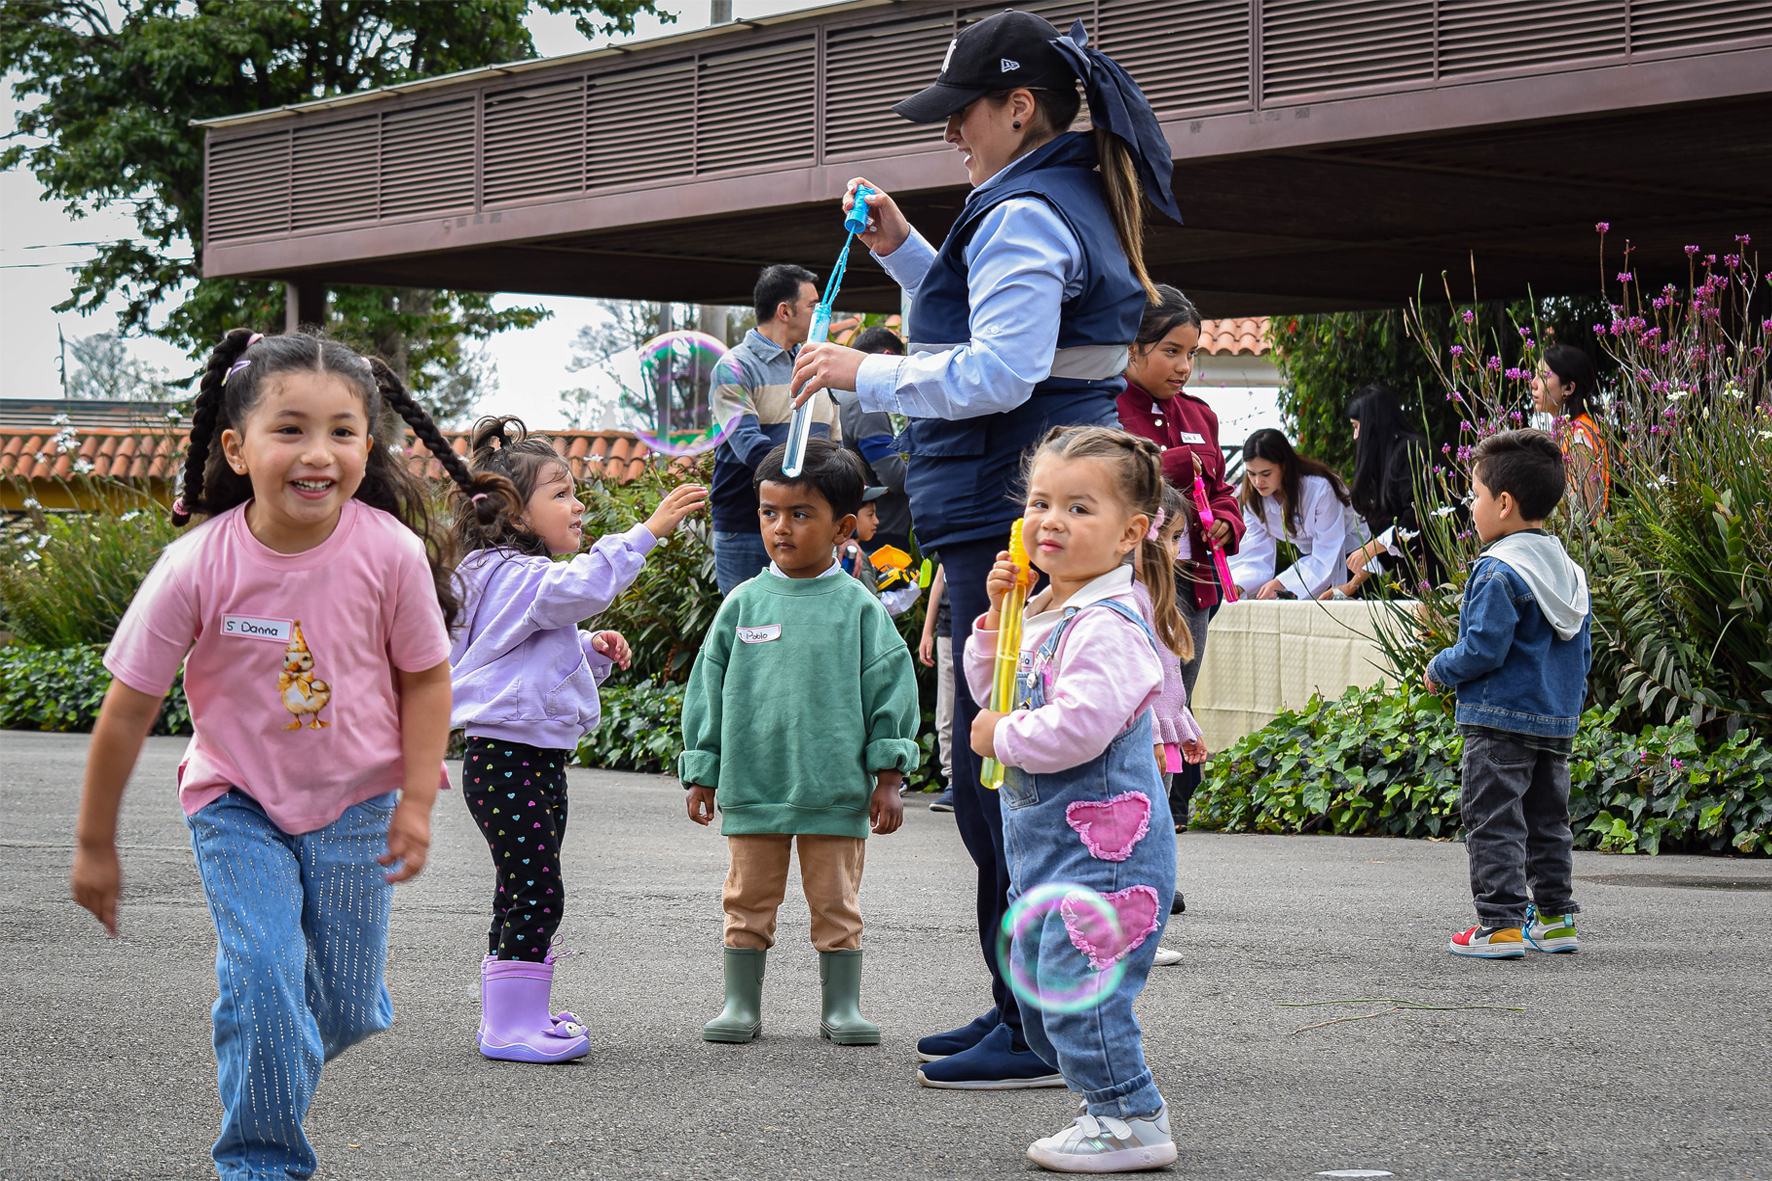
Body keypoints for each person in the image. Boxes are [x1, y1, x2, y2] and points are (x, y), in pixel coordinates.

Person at [788, 8, 1182, 1089]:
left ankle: (1041, 1021)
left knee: (995, 773)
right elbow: (999, 336)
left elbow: (995, 371)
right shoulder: (1064, 196)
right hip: (1011, 505)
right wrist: (905, 252)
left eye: (960, 113)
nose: (950, 134)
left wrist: (857, 373)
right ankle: (1027, 1003)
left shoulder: (1019, 214)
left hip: (1005, 510)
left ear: (1018, 107)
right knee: (994, 770)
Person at [70, 328, 494, 1180]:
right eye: (290, 428)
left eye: (342, 431)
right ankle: (260, 1161)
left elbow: (426, 680)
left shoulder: (391, 553)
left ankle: (276, 1031)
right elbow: (127, 708)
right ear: (237, 446)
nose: (318, 453)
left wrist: (416, 798)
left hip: (360, 801)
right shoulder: (196, 564)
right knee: (264, 980)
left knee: (339, 1006)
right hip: (237, 800)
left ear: (367, 446)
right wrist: (93, 842)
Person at [447, 416, 706, 1063]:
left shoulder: (502, 575)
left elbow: (517, 660)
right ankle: (511, 1023)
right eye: (560, 493)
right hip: (509, 758)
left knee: (522, 884)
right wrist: (648, 531)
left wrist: (588, 650)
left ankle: (515, 1014)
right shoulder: (514, 575)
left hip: (522, 757)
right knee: (537, 885)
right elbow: (581, 585)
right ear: (512, 511)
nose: (578, 505)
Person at [965, 426, 1182, 1172]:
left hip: (1106, 861)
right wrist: (997, 621)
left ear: (1129, 534)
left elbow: (1079, 729)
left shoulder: (1108, 625)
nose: (1050, 520)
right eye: (1040, 502)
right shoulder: (1049, 607)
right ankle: (1106, 1103)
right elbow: (991, 690)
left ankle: (1131, 1116)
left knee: (1081, 992)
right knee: (1041, 989)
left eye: (1078, 507)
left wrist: (1003, 734)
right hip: (1052, 851)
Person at [681, 436, 921, 1046]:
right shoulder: (742, 602)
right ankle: (741, 1004)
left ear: (843, 527)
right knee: (746, 901)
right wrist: (702, 766)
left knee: (837, 907)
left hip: (835, 791)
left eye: (800, 514)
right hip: (753, 784)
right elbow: (707, 688)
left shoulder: (859, 609)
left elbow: (893, 693)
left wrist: (888, 778)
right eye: (769, 513)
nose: (781, 528)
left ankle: (841, 1008)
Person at [1424, 429, 1592, 959]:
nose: (1471, 507)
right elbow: (1582, 656)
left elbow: (1483, 648)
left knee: (1494, 818)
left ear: (1503, 502)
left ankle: (1498, 925)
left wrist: (1440, 668)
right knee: (1548, 821)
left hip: (1499, 722)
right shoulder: (1569, 571)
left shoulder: (1499, 569)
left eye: (1474, 495)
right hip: (1555, 720)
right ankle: (1555, 917)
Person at [1114, 284, 1241, 829]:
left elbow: (1225, 494)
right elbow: (1103, 485)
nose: (1184, 366)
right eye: (1171, 351)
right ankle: (1127, 843)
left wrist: (1229, 524)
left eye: (1192, 353)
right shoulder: (1105, 406)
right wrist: (1166, 466)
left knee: (1170, 711)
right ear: (1133, 347)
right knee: (1128, 714)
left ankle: (1159, 847)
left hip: (1193, 587)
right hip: (1130, 583)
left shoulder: (1201, 415)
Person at [709, 263, 837, 594]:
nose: (822, 314)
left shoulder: (815, 365)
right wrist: (820, 476)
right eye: (813, 305)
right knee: (750, 633)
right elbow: (751, 447)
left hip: (813, 525)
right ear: (784, 311)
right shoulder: (735, 367)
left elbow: (836, 443)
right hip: (747, 528)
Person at [1133, 483, 1208, 955]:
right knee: (1143, 837)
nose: (1178, 548)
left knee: (1153, 834)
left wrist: (1186, 726)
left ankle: (1143, 927)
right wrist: (1158, 736)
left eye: (1181, 538)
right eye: (1172, 536)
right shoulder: (1132, 598)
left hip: (1161, 736)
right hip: (1143, 740)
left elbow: (1170, 678)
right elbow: (1143, 682)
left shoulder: (1155, 594)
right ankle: (1138, 933)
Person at [1228, 429, 1368, 600]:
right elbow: (1255, 552)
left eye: (1266, 474)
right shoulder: (1253, 500)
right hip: (1310, 558)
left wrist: (1282, 583)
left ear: (1284, 466)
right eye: (1251, 474)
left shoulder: (1319, 488)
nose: (1258, 482)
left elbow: (1327, 551)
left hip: (1352, 553)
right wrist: (1240, 586)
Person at [1329, 384, 1436, 598]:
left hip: (1438, 576)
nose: (1355, 436)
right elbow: (1391, 538)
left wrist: (1371, 548)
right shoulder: (1392, 459)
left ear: (1372, 425)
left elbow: (1417, 518)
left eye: (1357, 426)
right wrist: (1352, 586)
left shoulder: (1410, 451)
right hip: (1413, 576)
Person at [833, 325, 913, 553]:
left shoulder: (839, 393)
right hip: (879, 534)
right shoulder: (864, 404)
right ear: (888, 358)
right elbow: (894, 477)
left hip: (855, 530)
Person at [1531, 343, 1609, 519]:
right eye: (1535, 375)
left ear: (1568, 388)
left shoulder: (1579, 435)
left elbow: (1585, 509)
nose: (1534, 384)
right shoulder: (1566, 432)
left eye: (1543, 376)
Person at [918, 564, 957, 809]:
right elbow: (939, 578)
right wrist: (927, 632)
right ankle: (953, 780)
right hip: (948, 628)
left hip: (989, 623)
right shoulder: (949, 528)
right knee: (948, 707)